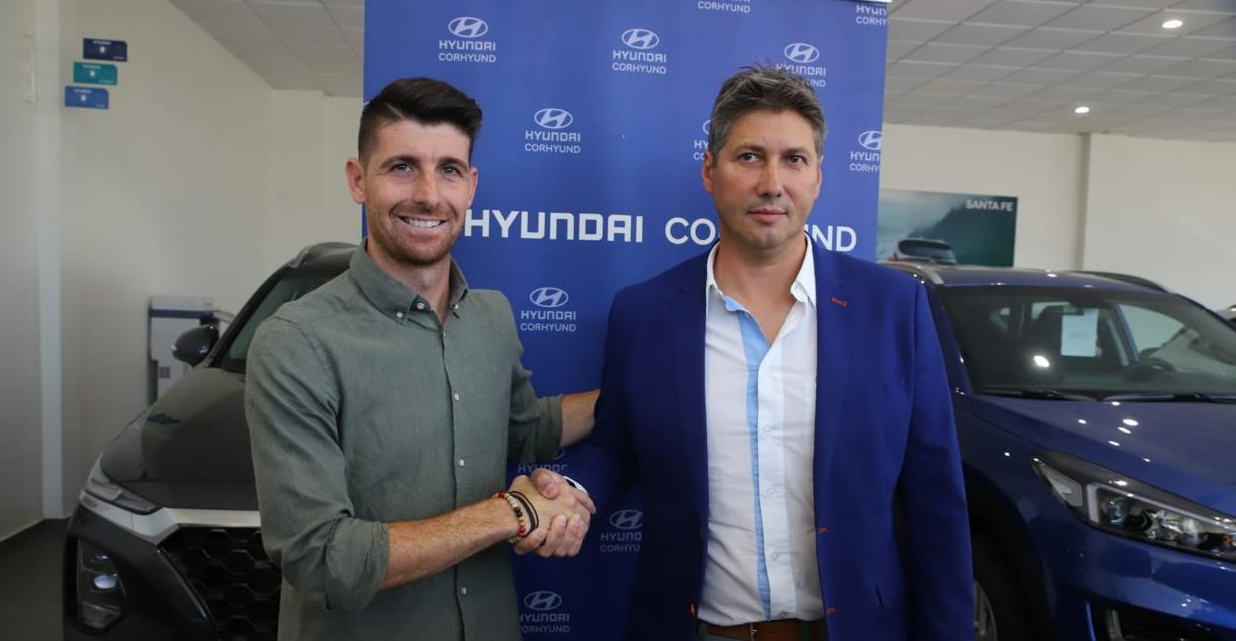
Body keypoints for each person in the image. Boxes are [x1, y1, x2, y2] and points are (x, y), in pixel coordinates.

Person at [541, 65, 972, 640]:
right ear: (709, 172)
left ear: (818, 177)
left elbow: (935, 502)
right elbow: (619, 444)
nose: (772, 182)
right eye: (749, 157)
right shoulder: (645, 314)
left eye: (794, 159)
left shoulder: (894, 309)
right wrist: (575, 490)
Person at [245, 77, 598, 641]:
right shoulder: (296, 341)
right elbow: (320, 556)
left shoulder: (492, 317)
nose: (429, 195)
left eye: (449, 170)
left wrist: (646, 385)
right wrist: (511, 512)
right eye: (402, 166)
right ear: (358, 181)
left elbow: (530, 428)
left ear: (471, 186)